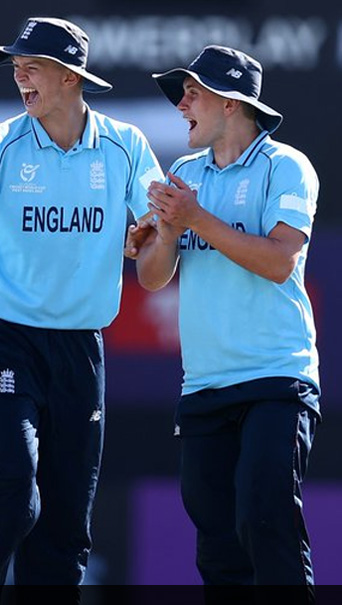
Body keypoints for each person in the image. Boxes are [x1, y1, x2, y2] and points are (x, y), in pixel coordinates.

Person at [0, 17, 164, 594]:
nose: (20, 77)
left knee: (69, 510)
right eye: (16, 68)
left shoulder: (125, 145)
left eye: (32, 67)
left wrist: (147, 231)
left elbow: (155, 218)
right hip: (6, 337)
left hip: (81, 346)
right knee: (15, 481)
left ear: (71, 76)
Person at [127, 45, 320, 600]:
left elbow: (279, 261)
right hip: (205, 385)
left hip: (275, 379)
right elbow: (153, 278)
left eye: (192, 92)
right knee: (217, 544)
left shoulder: (287, 165)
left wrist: (194, 218)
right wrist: (164, 233)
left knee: (267, 522)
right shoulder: (185, 173)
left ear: (232, 102)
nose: (181, 103)